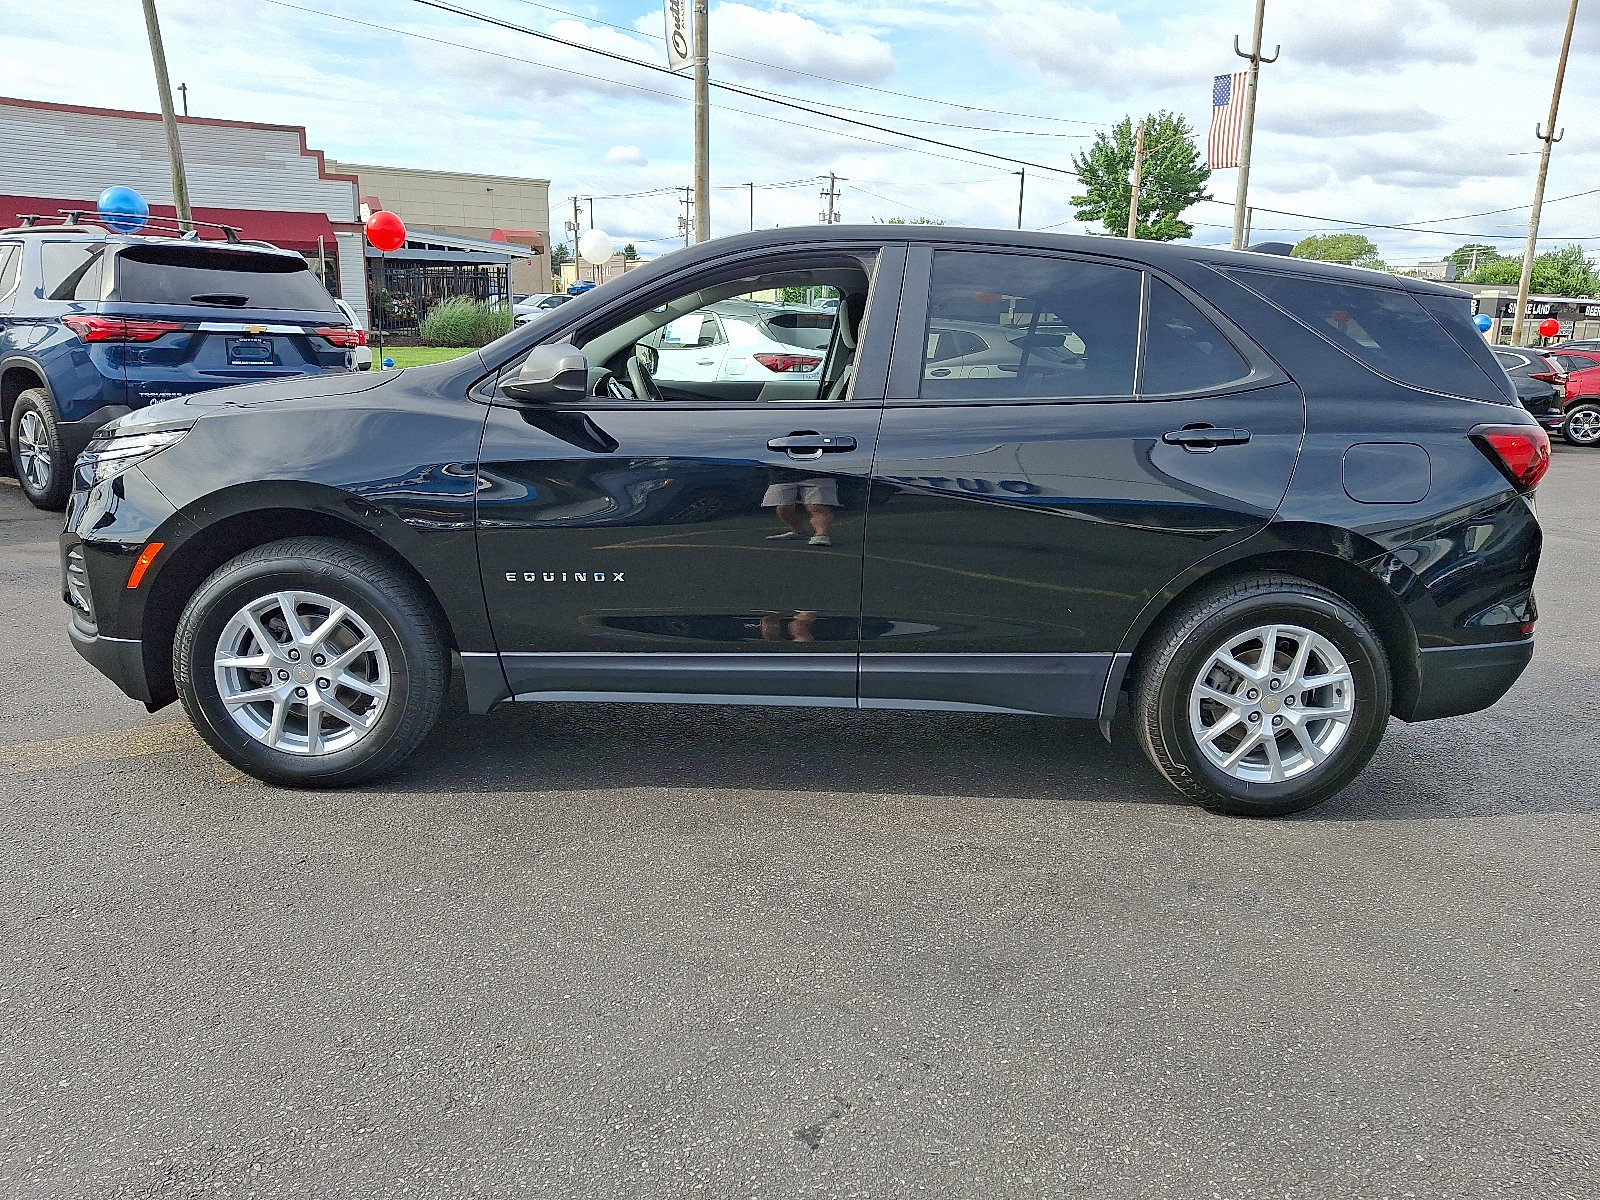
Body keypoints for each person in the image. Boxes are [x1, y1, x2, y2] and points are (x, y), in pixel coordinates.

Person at [762, 476, 836, 546]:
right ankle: (799, 531)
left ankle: (821, 534)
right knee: (783, 509)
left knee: (817, 507)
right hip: (782, 476)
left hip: (817, 475)